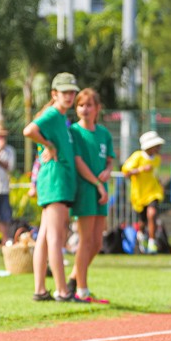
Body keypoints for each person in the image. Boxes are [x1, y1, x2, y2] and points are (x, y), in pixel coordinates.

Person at [24, 72, 105, 300]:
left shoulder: (61, 118)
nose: (69, 96)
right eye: (64, 92)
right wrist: (48, 145)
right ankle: (61, 290)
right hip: (55, 182)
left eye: (72, 92)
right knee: (55, 238)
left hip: (57, 182)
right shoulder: (52, 114)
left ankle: (40, 289)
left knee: (45, 237)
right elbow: (29, 130)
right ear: (54, 94)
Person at [66, 88, 113, 303]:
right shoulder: (74, 132)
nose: (84, 109)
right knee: (85, 241)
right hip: (86, 190)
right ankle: (81, 289)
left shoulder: (104, 133)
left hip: (100, 190)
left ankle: (74, 277)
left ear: (98, 109)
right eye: (81, 105)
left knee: (96, 243)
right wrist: (97, 183)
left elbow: (110, 159)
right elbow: (78, 161)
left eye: (89, 105)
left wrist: (108, 170)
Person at [122, 131, 166, 254]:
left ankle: (152, 243)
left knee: (152, 214)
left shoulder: (157, 159)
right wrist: (141, 169)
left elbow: (155, 175)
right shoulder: (137, 156)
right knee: (142, 221)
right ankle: (142, 238)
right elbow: (126, 172)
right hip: (139, 194)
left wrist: (160, 184)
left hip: (153, 192)